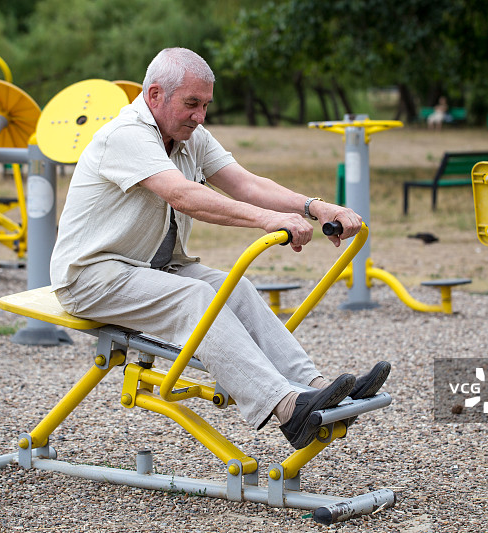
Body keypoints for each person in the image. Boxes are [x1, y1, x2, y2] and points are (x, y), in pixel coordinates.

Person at [50, 48, 390, 450]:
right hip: (93, 277)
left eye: (206, 105)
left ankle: (318, 387)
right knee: (196, 298)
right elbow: (182, 195)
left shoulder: (189, 136)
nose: (200, 116)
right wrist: (266, 220)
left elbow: (246, 184)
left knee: (236, 287)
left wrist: (314, 207)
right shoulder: (125, 135)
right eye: (191, 104)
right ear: (155, 95)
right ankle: (287, 408)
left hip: (153, 269)